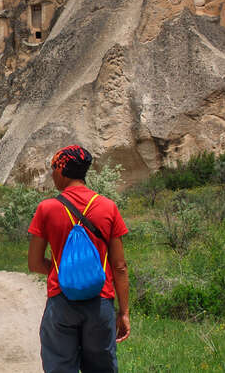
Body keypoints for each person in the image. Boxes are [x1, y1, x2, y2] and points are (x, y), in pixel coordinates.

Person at [27, 144, 130, 373]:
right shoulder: (108, 207)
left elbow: (34, 263)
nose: (52, 174)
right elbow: (119, 266)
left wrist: (65, 272)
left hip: (61, 301)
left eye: (53, 168)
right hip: (100, 302)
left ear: (62, 170)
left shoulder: (46, 208)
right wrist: (123, 313)